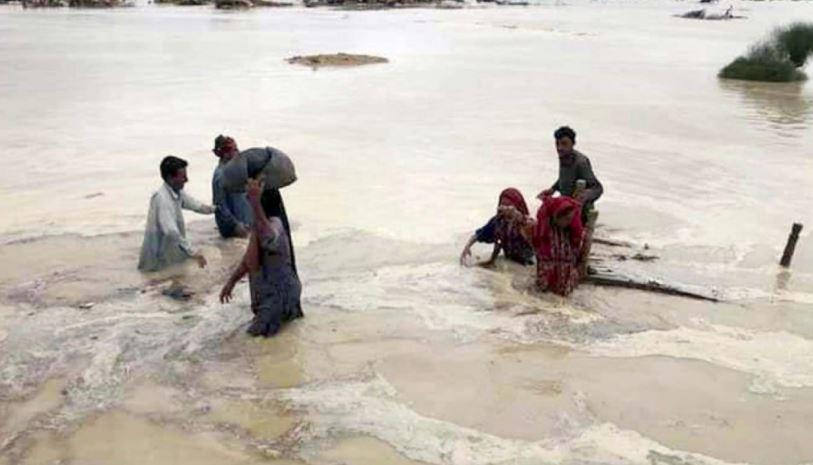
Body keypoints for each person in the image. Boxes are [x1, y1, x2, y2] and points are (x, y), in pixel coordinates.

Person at [219, 179, 302, 337]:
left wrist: (255, 203)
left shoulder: (275, 224)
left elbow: (269, 238)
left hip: (276, 299)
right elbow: (249, 260)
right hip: (276, 296)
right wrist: (232, 282)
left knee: (250, 343)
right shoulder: (259, 228)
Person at [138, 156, 215, 272]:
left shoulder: (177, 192)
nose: (186, 179)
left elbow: (196, 205)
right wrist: (193, 252)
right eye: (183, 176)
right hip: (158, 260)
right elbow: (170, 231)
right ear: (170, 178)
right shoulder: (162, 199)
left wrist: (215, 209)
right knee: (158, 285)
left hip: (171, 257)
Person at [538, 126, 603, 222]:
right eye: (557, 144)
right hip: (566, 209)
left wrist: (584, 195)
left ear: (573, 144)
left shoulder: (581, 163)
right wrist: (552, 189)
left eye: (564, 143)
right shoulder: (564, 157)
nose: (559, 148)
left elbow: (598, 188)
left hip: (581, 214)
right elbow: (565, 177)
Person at [460, 188, 535, 266]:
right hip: (510, 260)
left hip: (529, 261)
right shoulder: (498, 221)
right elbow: (479, 234)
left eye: (509, 205)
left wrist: (520, 219)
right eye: (503, 204)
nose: (505, 208)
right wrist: (467, 248)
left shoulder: (527, 222)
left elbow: (537, 240)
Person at [530, 196, 585, 296]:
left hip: (566, 277)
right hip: (546, 277)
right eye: (566, 219)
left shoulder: (572, 232)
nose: (568, 221)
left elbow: (579, 253)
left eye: (570, 218)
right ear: (556, 216)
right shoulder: (543, 230)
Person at [212, 135, 252, 239]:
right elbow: (219, 205)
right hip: (235, 228)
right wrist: (236, 226)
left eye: (236, 149)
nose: (236, 153)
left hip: (245, 222)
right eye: (231, 150)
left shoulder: (236, 169)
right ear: (222, 153)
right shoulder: (220, 175)